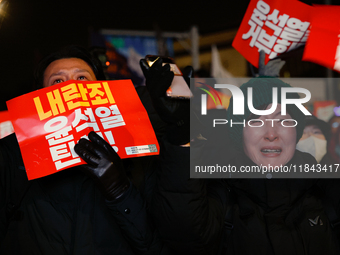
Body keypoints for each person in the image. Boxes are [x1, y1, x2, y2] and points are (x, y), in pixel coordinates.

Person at [140, 60, 340, 254]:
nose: (271, 134)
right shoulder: (222, 198)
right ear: (239, 133)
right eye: (256, 121)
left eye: (282, 120)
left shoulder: (325, 191)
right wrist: (181, 134)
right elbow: (184, 231)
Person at [0, 45, 169, 255]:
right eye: (58, 81)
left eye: (81, 78)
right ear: (39, 96)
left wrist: (120, 191)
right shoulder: (13, 155)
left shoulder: (138, 154)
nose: (70, 88)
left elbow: (155, 244)